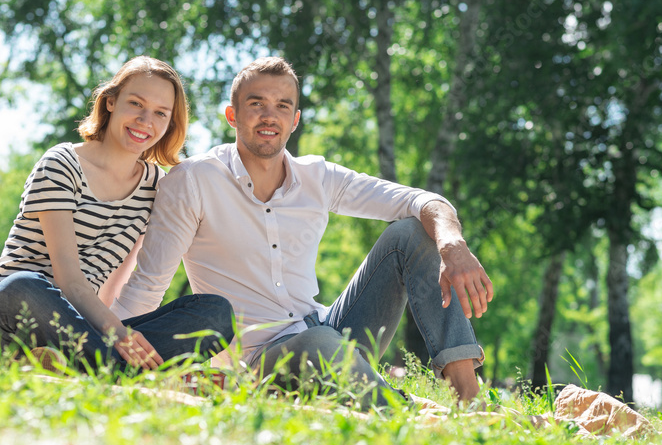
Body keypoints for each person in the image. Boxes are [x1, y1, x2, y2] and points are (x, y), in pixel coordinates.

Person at [113, 56, 492, 408]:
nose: (269, 116)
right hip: (262, 359)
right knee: (320, 343)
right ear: (232, 115)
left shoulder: (318, 177)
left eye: (282, 106)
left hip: (327, 328)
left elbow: (423, 201)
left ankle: (468, 401)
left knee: (414, 231)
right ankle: (406, 409)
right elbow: (149, 283)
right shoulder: (193, 180)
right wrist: (108, 348)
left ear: (295, 119)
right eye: (256, 103)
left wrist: (453, 245)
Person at [0, 56, 234, 372]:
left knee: (215, 312)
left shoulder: (156, 187)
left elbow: (113, 284)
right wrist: (119, 335)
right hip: (7, 321)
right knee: (22, 285)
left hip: (80, 332)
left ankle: (95, 366)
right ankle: (111, 369)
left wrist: (119, 331)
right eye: (136, 104)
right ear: (110, 102)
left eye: (160, 113)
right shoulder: (61, 165)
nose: (146, 120)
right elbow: (69, 281)